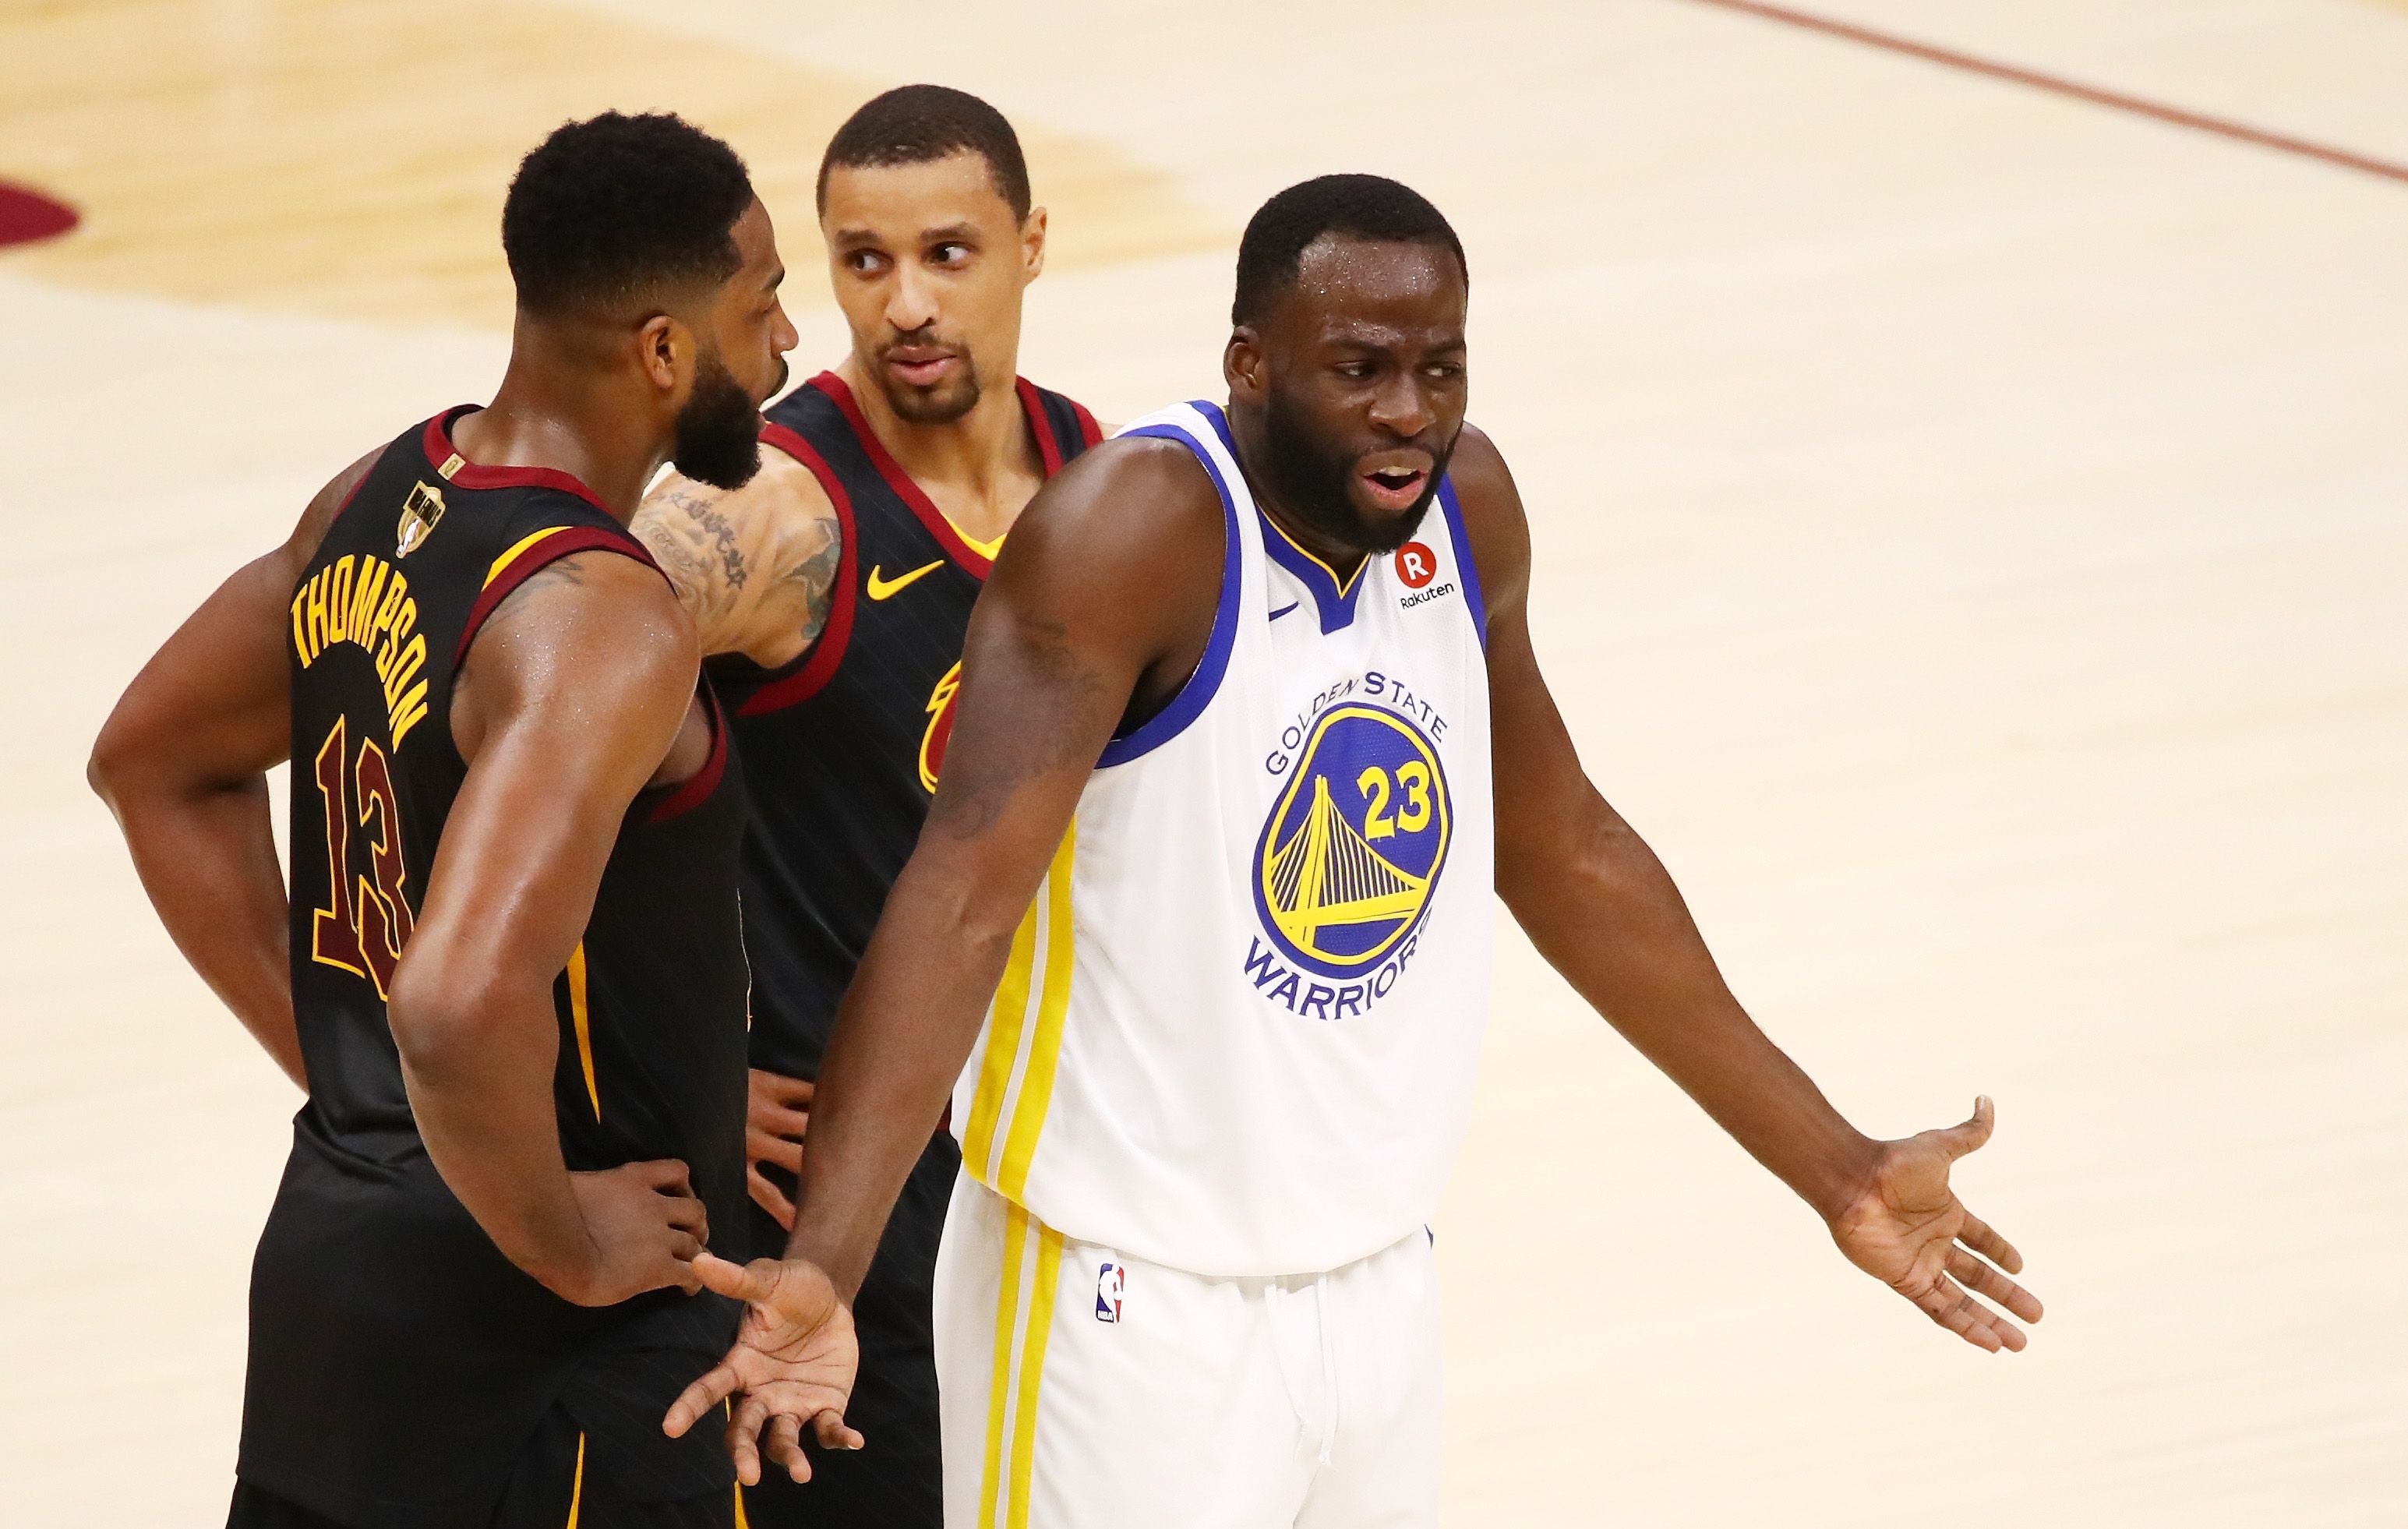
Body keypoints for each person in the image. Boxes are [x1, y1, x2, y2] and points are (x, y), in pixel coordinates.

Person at [665, 175, 2044, 1527]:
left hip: (1377, 1286)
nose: (1408, 411)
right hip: (1120, 1308)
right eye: (1359, 369)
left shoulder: (1467, 508)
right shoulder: (1131, 531)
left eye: (1439, 367)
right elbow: (958, 900)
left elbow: (1563, 849)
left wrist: (1838, 1170)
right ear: (1250, 366)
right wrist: (825, 1264)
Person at [88, 112, 804, 1529]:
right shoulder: (600, 617)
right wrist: (568, 1239)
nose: (786, 340)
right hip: (547, 1344)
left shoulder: (370, 496)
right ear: (665, 350)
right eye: (762, 303)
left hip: (338, 1274)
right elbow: (457, 1004)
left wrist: (366, 1097)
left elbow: (151, 763)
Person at [630, 85, 1100, 1528]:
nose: (905, 304)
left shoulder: (1099, 473)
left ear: (1030, 245)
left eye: (948, 254)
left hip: (1064, 1169)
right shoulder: (761, 515)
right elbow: (512, 772)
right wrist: (677, 1076)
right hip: (846, 1202)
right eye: (863, 260)